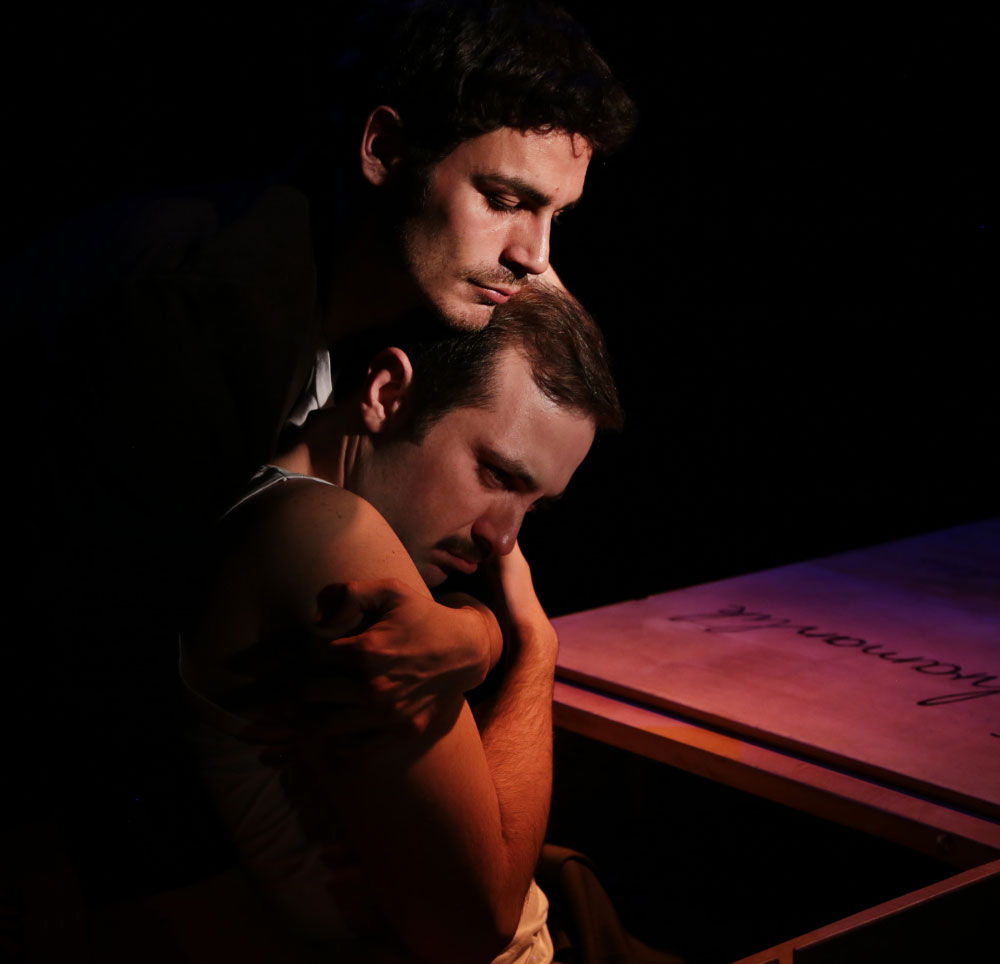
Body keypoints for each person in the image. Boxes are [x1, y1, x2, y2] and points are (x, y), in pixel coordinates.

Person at [3, 0, 636, 924]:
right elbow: (103, 682)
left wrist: (481, 636)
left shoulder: (429, 304)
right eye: (505, 199)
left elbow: (484, 508)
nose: (534, 258)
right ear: (383, 150)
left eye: (556, 214)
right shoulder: (190, 313)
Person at [179, 285, 623, 962]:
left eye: (535, 506)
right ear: (387, 395)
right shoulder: (325, 533)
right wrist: (535, 648)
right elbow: (480, 924)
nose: (505, 540)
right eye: (497, 474)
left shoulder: (298, 503)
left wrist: (481, 632)